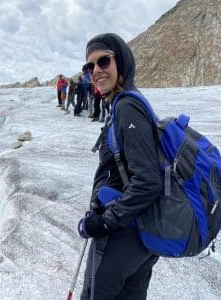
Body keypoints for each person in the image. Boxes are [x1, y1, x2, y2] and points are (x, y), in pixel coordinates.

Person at [77, 33, 162, 299]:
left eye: (104, 61)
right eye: (89, 66)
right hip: (141, 234)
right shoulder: (124, 103)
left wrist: (103, 223)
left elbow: (148, 180)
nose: (96, 71)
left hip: (123, 234)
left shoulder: (127, 107)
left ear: (121, 62)